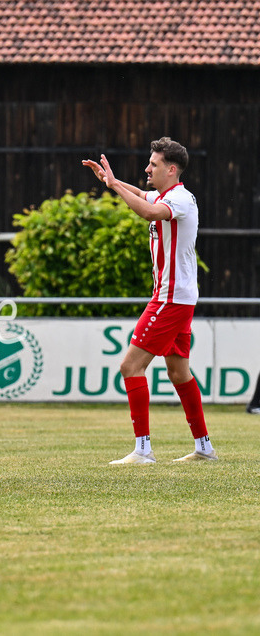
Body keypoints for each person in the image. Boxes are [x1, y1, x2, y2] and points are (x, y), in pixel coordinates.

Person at [82, 137, 216, 464]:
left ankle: (143, 450)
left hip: (170, 299)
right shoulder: (168, 194)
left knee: (130, 366)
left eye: (153, 164)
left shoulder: (180, 200)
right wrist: (112, 181)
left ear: (171, 169)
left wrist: (114, 186)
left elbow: (147, 211)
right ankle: (204, 447)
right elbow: (144, 195)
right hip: (178, 298)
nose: (147, 168)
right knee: (178, 372)